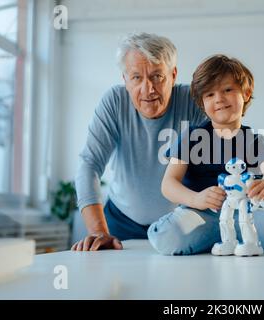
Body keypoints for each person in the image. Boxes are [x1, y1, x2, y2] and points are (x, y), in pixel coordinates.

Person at [147, 54, 264, 255]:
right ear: (201, 103)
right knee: (167, 237)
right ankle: (218, 237)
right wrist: (197, 199)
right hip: (199, 214)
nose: (219, 99)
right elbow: (168, 184)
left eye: (227, 90)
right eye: (209, 94)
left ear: (246, 93)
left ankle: (231, 237)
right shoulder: (191, 137)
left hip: (244, 214)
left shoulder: (254, 142)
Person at [71, 32, 207, 251]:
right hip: (120, 221)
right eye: (136, 77)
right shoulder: (114, 102)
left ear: (173, 75)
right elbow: (89, 164)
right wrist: (98, 231)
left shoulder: (194, 102)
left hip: (179, 223)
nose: (148, 89)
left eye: (157, 76)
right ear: (125, 79)